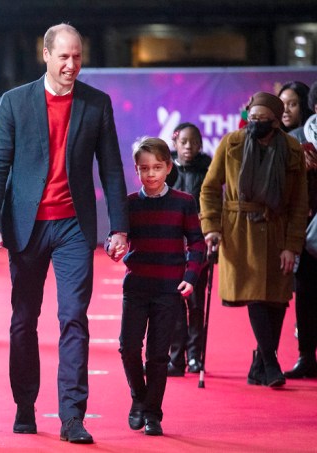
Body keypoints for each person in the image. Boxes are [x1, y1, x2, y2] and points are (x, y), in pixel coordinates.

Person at [0, 23, 129, 444]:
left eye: (77, 56)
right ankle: (25, 405)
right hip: (26, 226)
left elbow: (112, 168)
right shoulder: (15, 102)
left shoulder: (96, 104)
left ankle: (72, 416)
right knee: (24, 320)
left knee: (73, 318)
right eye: (63, 56)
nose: (71, 64)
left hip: (74, 227)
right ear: (45, 55)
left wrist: (119, 226)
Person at [199, 91, 308, 388]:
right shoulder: (232, 143)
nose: (255, 123)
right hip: (239, 230)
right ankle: (272, 364)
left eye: (263, 120)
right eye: (252, 118)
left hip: (277, 228)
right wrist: (211, 226)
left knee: (277, 298)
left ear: (276, 122)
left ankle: (259, 362)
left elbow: (299, 203)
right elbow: (209, 188)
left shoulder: (291, 149)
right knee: (255, 294)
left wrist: (291, 245)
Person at [116, 137, 206, 437]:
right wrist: (112, 246)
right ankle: (138, 399)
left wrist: (190, 277)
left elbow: (197, 243)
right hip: (136, 285)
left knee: (157, 355)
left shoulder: (184, 202)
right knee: (128, 348)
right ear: (136, 170)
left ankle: (153, 413)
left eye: (156, 167)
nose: (150, 174)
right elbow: (116, 237)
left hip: (169, 288)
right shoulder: (129, 204)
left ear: (169, 167)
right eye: (144, 168)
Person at [164, 123, 212, 376]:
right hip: (171, 245)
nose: (188, 147)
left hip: (197, 244)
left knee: (195, 303)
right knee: (173, 304)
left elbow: (214, 203)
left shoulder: (208, 169)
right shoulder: (166, 169)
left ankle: (195, 357)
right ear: (175, 142)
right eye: (184, 141)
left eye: (193, 142)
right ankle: (176, 359)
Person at [285, 82, 317, 378]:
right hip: (307, 230)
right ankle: (307, 356)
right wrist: (303, 171)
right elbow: (284, 188)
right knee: (306, 294)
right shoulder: (295, 140)